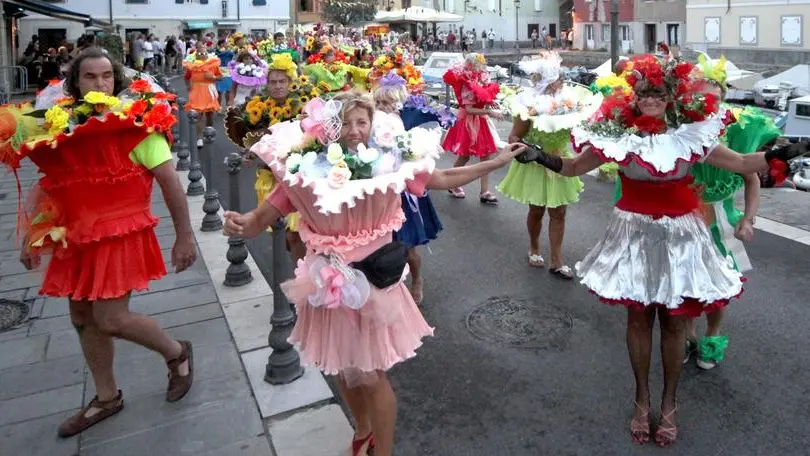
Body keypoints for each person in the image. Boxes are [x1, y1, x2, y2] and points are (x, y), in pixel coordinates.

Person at [518, 54, 806, 446]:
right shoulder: (616, 133)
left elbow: (740, 162)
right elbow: (572, 168)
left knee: (673, 323)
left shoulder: (691, 133)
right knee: (637, 320)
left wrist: (779, 156)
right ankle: (641, 399)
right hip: (631, 235)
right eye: (644, 92)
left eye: (658, 92)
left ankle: (669, 401)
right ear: (634, 95)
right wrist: (540, 155)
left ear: (670, 96)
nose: (651, 98)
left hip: (681, 238)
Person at [223, 91, 527, 456]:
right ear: (330, 129)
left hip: (374, 286)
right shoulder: (307, 169)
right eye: (345, 123)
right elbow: (260, 219)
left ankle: (382, 450)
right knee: (343, 366)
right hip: (328, 285)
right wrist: (240, 225)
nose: (354, 130)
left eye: (361, 122)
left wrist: (494, 163)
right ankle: (362, 430)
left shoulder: (391, 162)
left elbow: (444, 176)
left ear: (372, 126)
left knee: (370, 374)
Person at [4, 47, 196, 437]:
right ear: (74, 84)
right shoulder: (59, 127)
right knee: (81, 318)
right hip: (77, 236)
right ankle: (106, 398)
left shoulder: (136, 124)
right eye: (90, 77)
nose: (100, 83)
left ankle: (176, 353)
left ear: (116, 80)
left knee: (111, 319)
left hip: (120, 234)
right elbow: (55, 185)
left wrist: (184, 236)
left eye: (106, 76)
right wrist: (31, 235)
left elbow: (170, 183)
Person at [685, 56, 781, 369]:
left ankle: (712, 337)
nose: (706, 104)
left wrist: (748, 218)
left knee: (718, 286)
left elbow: (750, 177)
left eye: (713, 98)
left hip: (722, 221)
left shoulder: (736, 131)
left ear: (723, 99)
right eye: (699, 98)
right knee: (684, 282)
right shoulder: (682, 129)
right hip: (684, 217)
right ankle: (688, 336)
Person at [497, 52, 598, 279]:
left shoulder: (570, 102)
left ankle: (557, 260)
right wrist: (527, 149)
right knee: (536, 209)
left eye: (560, 78)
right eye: (555, 79)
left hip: (561, 161)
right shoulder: (528, 104)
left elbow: (578, 129)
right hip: (535, 162)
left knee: (559, 212)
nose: (559, 82)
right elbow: (513, 137)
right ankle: (534, 247)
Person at [442, 53, 503, 204]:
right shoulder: (466, 81)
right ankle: (452, 184)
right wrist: (489, 111)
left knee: (485, 155)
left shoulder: (479, 79)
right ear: (472, 65)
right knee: (464, 155)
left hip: (480, 120)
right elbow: (469, 109)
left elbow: (482, 98)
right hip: (468, 122)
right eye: (479, 64)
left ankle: (484, 191)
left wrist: (490, 103)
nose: (482, 67)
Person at [184, 40, 222, 148]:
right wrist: (188, 86)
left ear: (207, 53)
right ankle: (199, 137)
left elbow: (220, 77)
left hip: (209, 91)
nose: (202, 55)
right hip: (196, 91)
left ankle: (208, 133)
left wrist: (213, 77)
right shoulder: (192, 66)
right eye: (199, 53)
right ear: (196, 55)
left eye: (204, 53)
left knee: (209, 115)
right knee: (198, 115)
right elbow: (186, 77)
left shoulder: (213, 64)